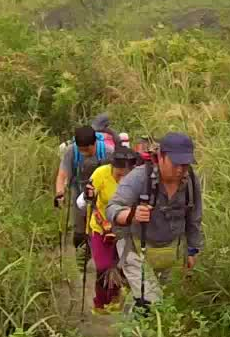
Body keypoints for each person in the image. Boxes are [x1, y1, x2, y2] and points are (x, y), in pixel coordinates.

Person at [106, 132, 202, 309]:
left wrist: (192, 251)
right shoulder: (139, 177)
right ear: (161, 157)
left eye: (185, 164)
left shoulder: (191, 182)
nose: (180, 169)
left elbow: (194, 218)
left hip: (170, 250)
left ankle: (132, 320)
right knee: (154, 303)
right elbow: (112, 208)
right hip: (136, 248)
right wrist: (132, 214)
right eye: (175, 163)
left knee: (169, 305)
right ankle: (138, 327)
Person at [76, 146, 140, 312]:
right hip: (100, 225)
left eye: (127, 171)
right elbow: (90, 200)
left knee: (120, 266)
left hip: (125, 229)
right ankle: (100, 302)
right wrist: (89, 195)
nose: (123, 174)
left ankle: (115, 299)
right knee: (103, 266)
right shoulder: (101, 174)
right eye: (119, 170)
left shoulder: (137, 179)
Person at [55, 125, 114, 251]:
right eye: (81, 149)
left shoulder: (108, 152)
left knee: (101, 227)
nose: (84, 153)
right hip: (79, 190)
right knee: (79, 230)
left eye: (87, 150)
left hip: (101, 193)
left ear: (94, 143)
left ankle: (101, 260)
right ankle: (82, 259)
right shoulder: (71, 151)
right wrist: (60, 193)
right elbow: (62, 175)